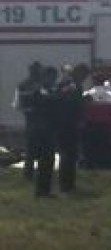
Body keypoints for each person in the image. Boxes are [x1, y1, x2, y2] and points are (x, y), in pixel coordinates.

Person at [52, 63, 91, 194]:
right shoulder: (73, 85)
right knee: (68, 155)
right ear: (79, 73)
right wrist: (84, 102)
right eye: (84, 75)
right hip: (68, 124)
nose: (84, 78)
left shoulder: (64, 83)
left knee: (69, 154)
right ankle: (67, 184)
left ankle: (68, 184)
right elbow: (72, 103)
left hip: (62, 123)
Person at [13, 61, 45, 181]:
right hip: (37, 121)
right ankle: (35, 173)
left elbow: (17, 105)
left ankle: (30, 174)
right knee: (38, 149)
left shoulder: (22, 85)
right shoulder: (43, 85)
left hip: (31, 120)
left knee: (32, 149)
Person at [31, 66, 59, 198]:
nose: (54, 80)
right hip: (42, 130)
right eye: (52, 77)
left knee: (49, 160)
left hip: (49, 128)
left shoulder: (48, 90)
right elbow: (44, 103)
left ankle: (45, 190)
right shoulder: (40, 90)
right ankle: (41, 190)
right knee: (44, 161)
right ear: (45, 77)